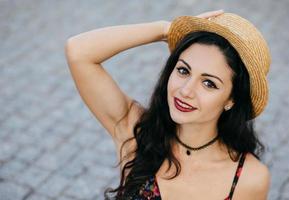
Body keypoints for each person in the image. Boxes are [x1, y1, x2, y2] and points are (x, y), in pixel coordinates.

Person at [65, 9, 271, 200]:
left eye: (209, 83)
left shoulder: (249, 178)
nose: (185, 91)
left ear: (231, 99)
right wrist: (165, 30)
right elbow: (78, 51)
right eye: (183, 71)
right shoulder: (136, 132)